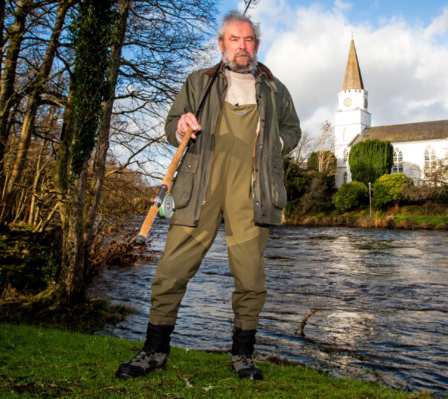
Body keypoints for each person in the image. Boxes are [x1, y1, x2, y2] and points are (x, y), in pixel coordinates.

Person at [116, 11, 301, 380]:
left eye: (248, 40)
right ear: (222, 45)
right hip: (198, 190)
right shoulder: (198, 83)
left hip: (251, 194)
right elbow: (172, 126)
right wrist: (181, 124)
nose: (242, 47)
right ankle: (154, 351)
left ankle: (243, 356)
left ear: (256, 46)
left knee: (250, 278)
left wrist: (277, 143)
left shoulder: (275, 89)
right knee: (170, 271)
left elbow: (293, 130)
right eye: (235, 39)